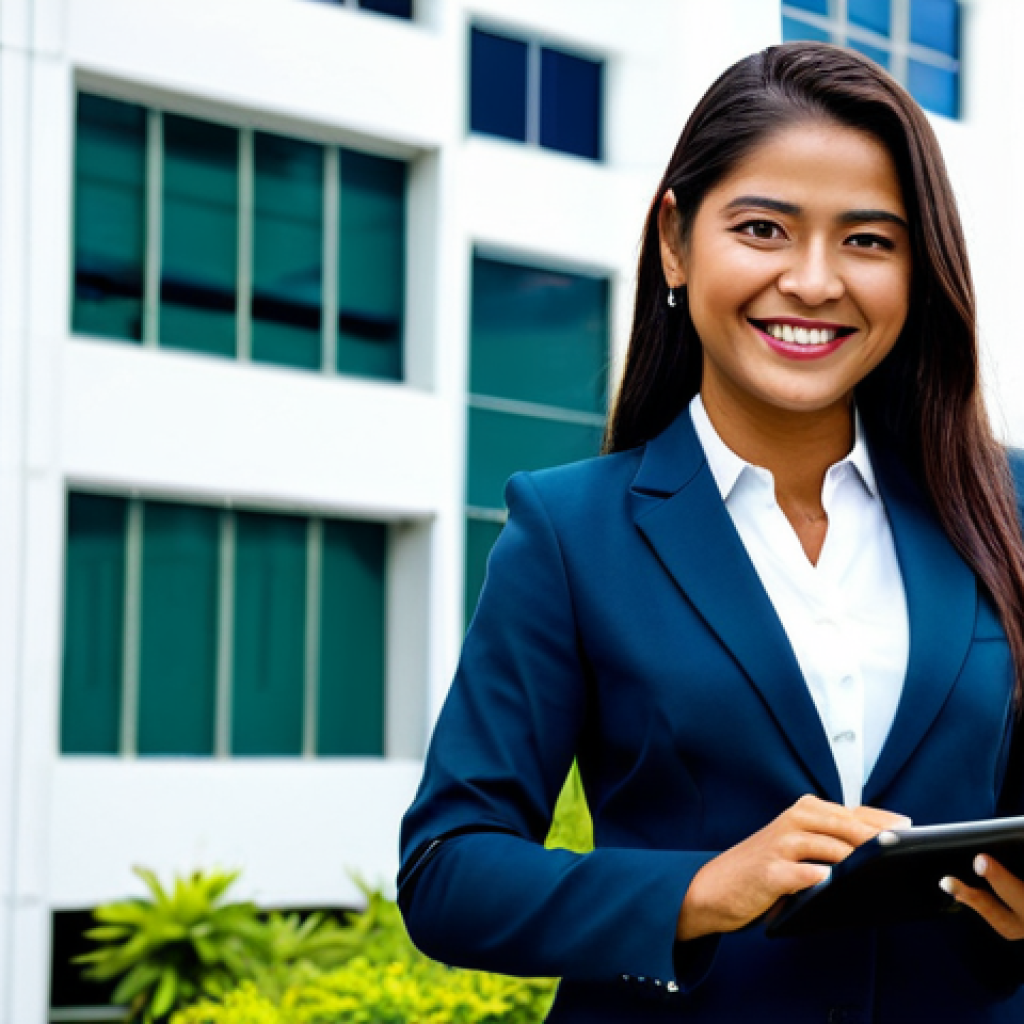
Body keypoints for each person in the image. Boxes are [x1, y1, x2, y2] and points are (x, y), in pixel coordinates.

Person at [398, 41, 1024, 1022]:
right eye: (764, 228)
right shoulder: (571, 530)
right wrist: (696, 892)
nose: (814, 281)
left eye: (868, 240)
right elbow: (448, 871)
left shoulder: (999, 505)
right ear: (676, 242)